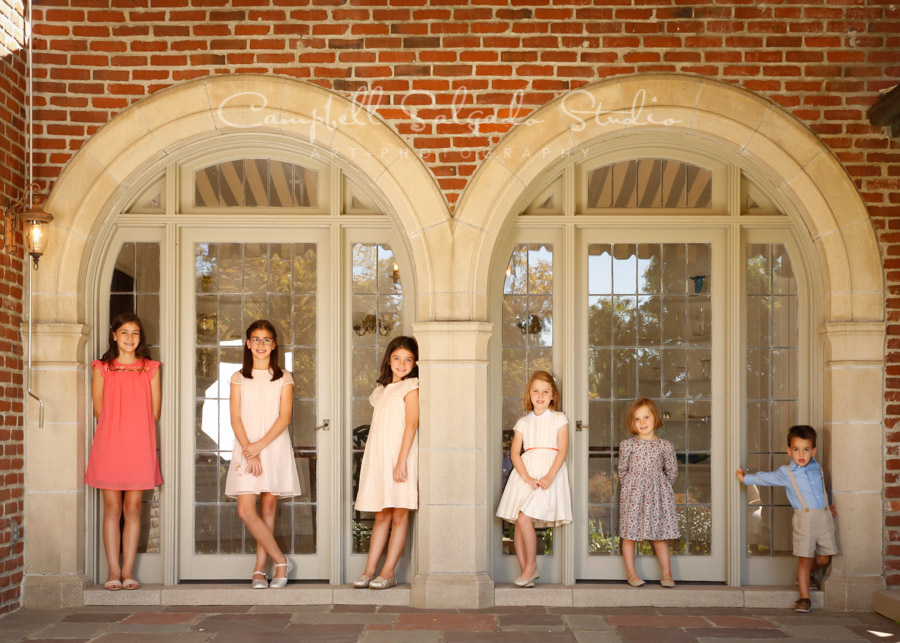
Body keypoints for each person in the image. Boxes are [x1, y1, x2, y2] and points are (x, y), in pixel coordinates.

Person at [86, 313, 162, 591]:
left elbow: (154, 411)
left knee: (132, 508)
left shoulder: (150, 368)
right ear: (114, 335)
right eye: (125, 332)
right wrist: (116, 431)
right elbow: (99, 409)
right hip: (109, 443)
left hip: (139, 445)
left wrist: (137, 434)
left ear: (141, 338)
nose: (130, 338)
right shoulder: (102, 368)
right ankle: (112, 571)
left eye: (136, 333)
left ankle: (128, 571)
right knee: (112, 508)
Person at [225, 320, 301, 589]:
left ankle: (260, 569)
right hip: (246, 449)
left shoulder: (284, 377)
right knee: (246, 510)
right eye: (255, 339)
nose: (260, 344)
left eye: (266, 339)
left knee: (268, 508)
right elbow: (235, 418)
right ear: (247, 344)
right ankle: (281, 560)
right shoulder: (238, 377)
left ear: (274, 344)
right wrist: (250, 451)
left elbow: (284, 418)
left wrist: (259, 447)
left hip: (274, 446)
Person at [736, 425, 838, 613]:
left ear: (813, 451)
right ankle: (804, 597)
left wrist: (826, 504)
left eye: (806, 449)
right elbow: (766, 478)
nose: (801, 454)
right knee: (805, 559)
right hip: (804, 520)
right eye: (797, 449)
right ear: (789, 450)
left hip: (823, 519)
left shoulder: (817, 468)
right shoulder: (787, 473)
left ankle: (804, 577)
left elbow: (819, 489)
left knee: (824, 558)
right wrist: (745, 479)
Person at [353, 336, 420, 590]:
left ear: (414, 364)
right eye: (396, 358)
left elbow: (412, 424)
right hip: (380, 457)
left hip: (401, 457)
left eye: (408, 359)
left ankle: (389, 571)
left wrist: (401, 460)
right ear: (388, 360)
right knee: (382, 514)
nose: (401, 364)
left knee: (399, 514)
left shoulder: (411, 386)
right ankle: (369, 570)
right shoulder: (380, 390)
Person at [496, 370, 572, 588]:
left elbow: (562, 451)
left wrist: (549, 476)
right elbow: (514, 454)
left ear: (552, 395)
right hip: (525, 473)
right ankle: (527, 570)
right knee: (519, 523)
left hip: (550, 472)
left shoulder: (559, 418)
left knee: (524, 518)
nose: (540, 395)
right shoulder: (523, 422)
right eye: (536, 391)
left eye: (545, 391)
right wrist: (526, 477)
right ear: (529, 394)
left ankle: (531, 568)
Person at [618, 398, 680, 588]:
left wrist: (659, 489)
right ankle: (632, 574)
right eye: (637, 419)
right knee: (629, 534)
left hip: (657, 496)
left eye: (646, 417)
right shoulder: (627, 445)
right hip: (633, 494)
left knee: (659, 535)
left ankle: (667, 575)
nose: (642, 422)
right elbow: (622, 470)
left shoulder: (665, 446)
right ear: (632, 422)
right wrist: (633, 487)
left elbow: (672, 472)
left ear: (655, 418)